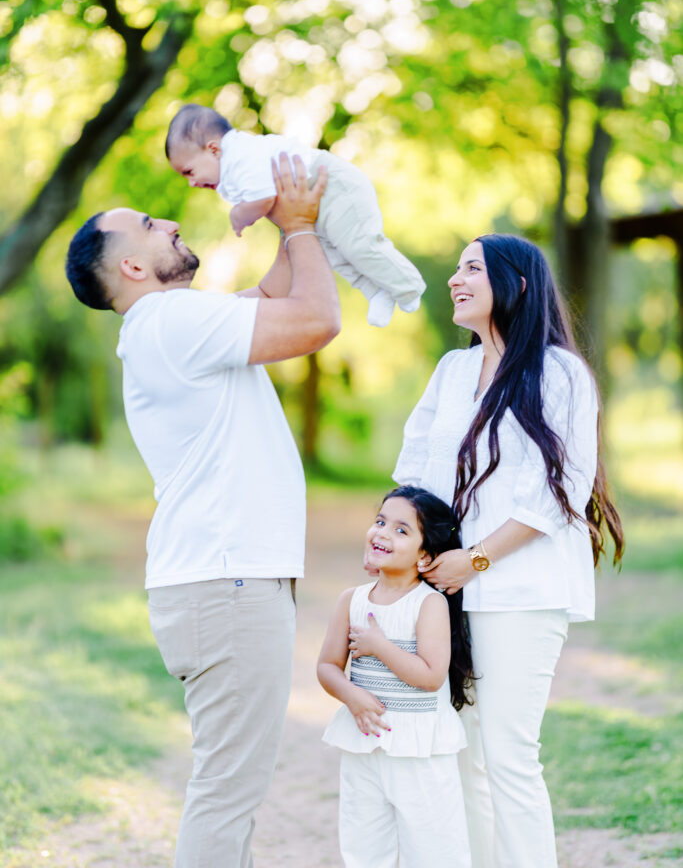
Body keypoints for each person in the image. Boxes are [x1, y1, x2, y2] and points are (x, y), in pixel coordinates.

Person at [65, 155, 340, 868]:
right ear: (130, 268)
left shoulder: (168, 326)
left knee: (228, 792)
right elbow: (313, 318)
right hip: (227, 586)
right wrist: (304, 227)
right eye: (151, 226)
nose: (173, 221)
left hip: (219, 583)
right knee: (226, 794)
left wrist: (294, 222)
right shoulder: (170, 320)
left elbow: (271, 295)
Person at [389, 234, 624, 868]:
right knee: (462, 753)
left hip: (521, 590)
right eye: (456, 266)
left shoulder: (559, 372)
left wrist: (478, 558)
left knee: (508, 753)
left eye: (472, 268)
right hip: (446, 593)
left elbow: (560, 489)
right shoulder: (452, 369)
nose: (454, 279)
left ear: (515, 284)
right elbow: (414, 470)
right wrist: (412, 554)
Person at [318, 485, 475, 868]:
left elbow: (431, 676)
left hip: (420, 751)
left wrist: (380, 646)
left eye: (401, 530)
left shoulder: (429, 603)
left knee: (435, 849)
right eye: (380, 521)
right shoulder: (351, 600)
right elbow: (326, 667)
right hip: (364, 747)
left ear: (424, 555)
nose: (383, 533)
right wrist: (351, 695)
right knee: (364, 847)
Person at [165, 102, 426, 327]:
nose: (191, 182)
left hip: (333, 186)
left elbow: (263, 198)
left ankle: (408, 286)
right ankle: (376, 291)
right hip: (314, 206)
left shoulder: (240, 155)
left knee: (359, 244)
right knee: (336, 255)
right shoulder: (228, 170)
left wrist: (240, 214)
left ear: (213, 149)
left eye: (189, 172)